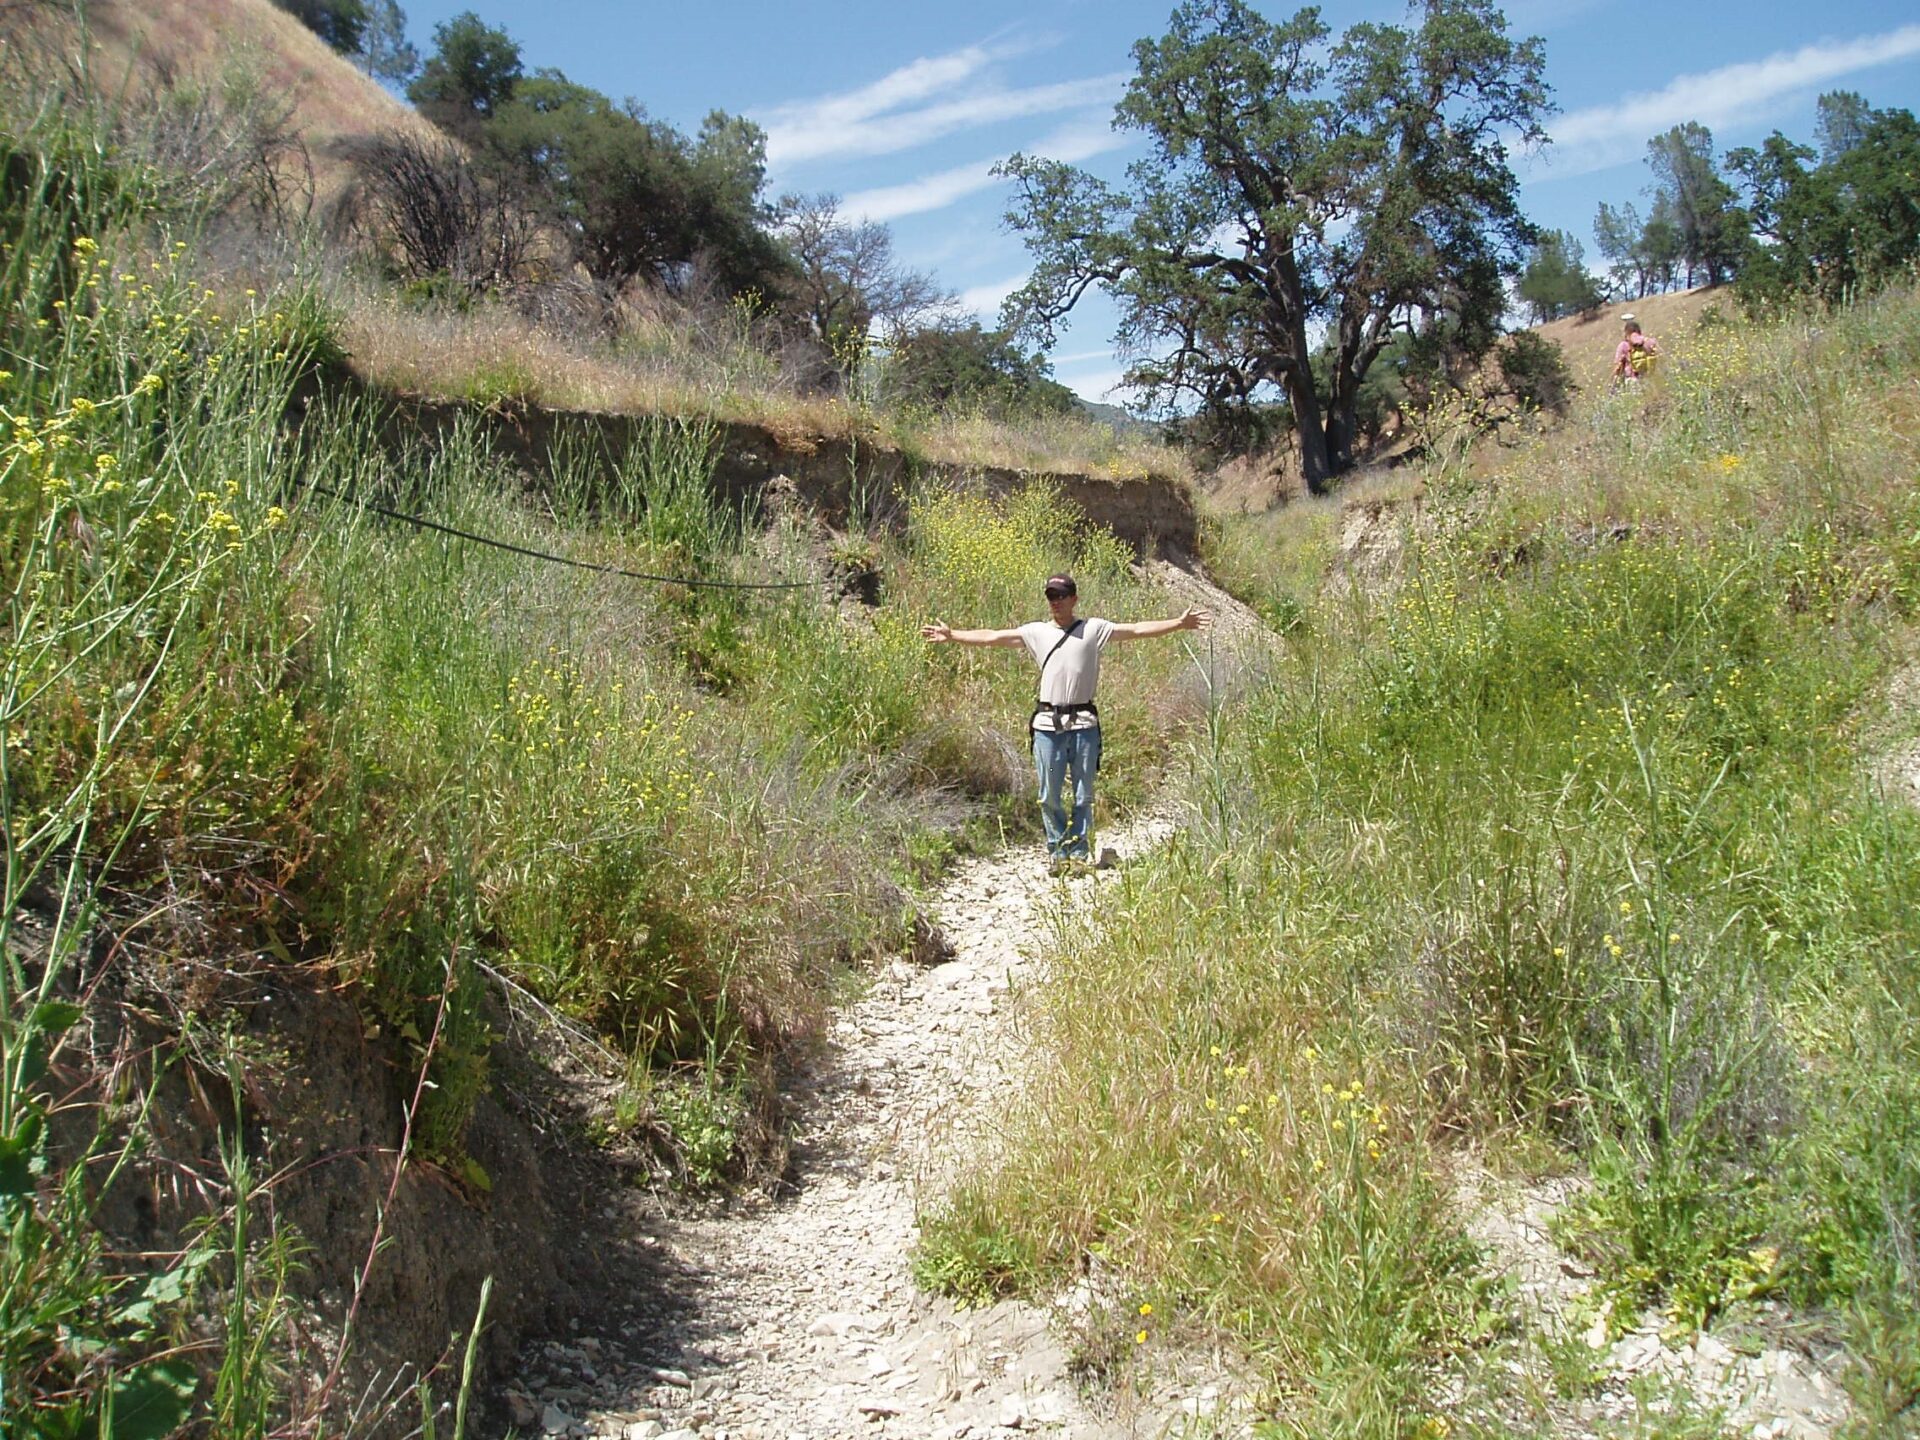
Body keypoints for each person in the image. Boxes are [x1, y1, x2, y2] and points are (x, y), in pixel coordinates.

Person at [921, 574, 1211, 871]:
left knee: (1084, 794)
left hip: (1084, 724)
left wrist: (1178, 623)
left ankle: (1080, 854)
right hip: (1047, 724)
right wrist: (953, 634)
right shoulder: (1035, 632)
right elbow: (993, 636)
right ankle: (1059, 854)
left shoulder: (1093, 629)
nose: (1055, 602)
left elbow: (1136, 629)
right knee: (1049, 794)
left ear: (1074, 598)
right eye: (1051, 596)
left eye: (1060, 596)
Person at [1613, 313, 1660, 384]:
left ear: (1625, 332)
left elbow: (1618, 367)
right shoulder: (1650, 341)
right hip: (1650, 380)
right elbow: (1660, 357)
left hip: (1632, 380)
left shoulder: (1623, 345)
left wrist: (1614, 383)